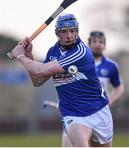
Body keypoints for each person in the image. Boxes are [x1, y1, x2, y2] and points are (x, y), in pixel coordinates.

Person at [11, 13, 113, 147]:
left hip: (98, 111)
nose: (69, 35)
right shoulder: (53, 52)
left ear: (77, 31)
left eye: (72, 31)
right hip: (73, 115)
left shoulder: (81, 53)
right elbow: (37, 81)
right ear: (57, 33)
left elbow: (40, 70)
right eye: (64, 32)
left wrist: (20, 56)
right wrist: (29, 55)